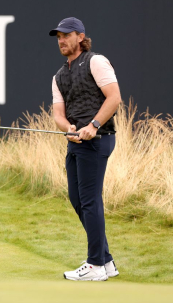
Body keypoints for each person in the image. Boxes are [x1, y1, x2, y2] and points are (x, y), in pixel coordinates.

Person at [49, 17, 122, 281]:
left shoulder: (95, 61)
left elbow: (114, 97)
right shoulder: (59, 76)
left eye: (66, 35)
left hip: (99, 139)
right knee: (77, 199)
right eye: (58, 37)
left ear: (80, 37)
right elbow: (58, 114)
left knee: (90, 201)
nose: (61, 40)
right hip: (77, 143)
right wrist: (67, 127)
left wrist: (93, 124)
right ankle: (106, 261)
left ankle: (95, 265)